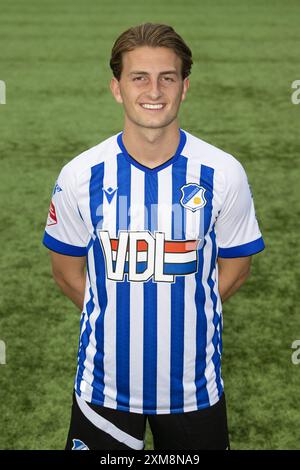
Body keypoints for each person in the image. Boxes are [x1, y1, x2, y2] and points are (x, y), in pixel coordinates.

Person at [42, 22, 265, 450]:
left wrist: (183, 312)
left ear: (184, 88)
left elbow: (235, 269)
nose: (154, 90)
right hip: (103, 387)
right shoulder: (79, 175)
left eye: (168, 77)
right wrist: (117, 314)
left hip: (193, 389)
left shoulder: (222, 172)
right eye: (139, 77)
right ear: (116, 87)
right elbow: (67, 273)